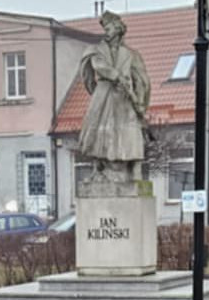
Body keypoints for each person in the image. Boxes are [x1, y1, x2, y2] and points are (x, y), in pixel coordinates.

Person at [77, 10, 151, 181]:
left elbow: (141, 79)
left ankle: (134, 169)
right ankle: (98, 169)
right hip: (103, 95)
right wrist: (115, 76)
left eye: (108, 28)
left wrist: (140, 101)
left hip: (124, 98)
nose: (106, 32)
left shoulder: (131, 55)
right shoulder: (96, 50)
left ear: (118, 29)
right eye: (105, 29)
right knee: (98, 132)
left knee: (130, 131)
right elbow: (98, 67)